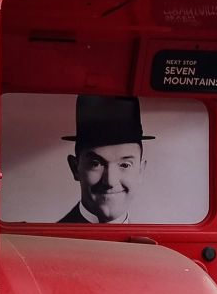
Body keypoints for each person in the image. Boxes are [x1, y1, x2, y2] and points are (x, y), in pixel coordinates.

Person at [60, 95, 153, 224]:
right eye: (95, 164)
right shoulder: (47, 241)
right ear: (75, 168)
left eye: (125, 165)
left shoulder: (151, 240)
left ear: (141, 171)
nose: (110, 181)